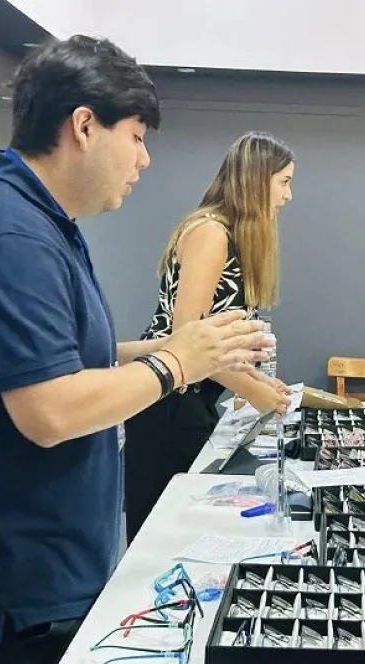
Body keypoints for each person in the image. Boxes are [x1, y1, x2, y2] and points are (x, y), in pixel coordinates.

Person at [0, 36, 270, 664]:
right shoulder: (4, 238)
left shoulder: (34, 223)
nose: (144, 159)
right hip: (6, 604)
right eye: (136, 137)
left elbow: (58, 361)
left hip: (37, 585)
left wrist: (166, 347)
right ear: (85, 125)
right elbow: (50, 410)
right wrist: (177, 365)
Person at [124, 131, 295, 542]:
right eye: (284, 182)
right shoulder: (211, 232)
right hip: (166, 399)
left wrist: (258, 382)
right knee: (160, 536)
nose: (289, 195)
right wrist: (252, 392)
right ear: (257, 180)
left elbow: (215, 343)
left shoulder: (232, 235)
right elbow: (189, 339)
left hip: (189, 397)